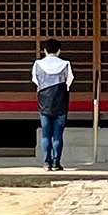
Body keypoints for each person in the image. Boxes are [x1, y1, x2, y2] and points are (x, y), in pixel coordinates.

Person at [32, 38, 73, 171]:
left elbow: (35, 80)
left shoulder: (38, 64)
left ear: (45, 50)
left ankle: (46, 163)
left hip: (44, 100)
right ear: (59, 51)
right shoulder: (65, 64)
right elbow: (69, 81)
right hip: (61, 99)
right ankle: (56, 163)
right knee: (58, 134)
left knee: (46, 133)